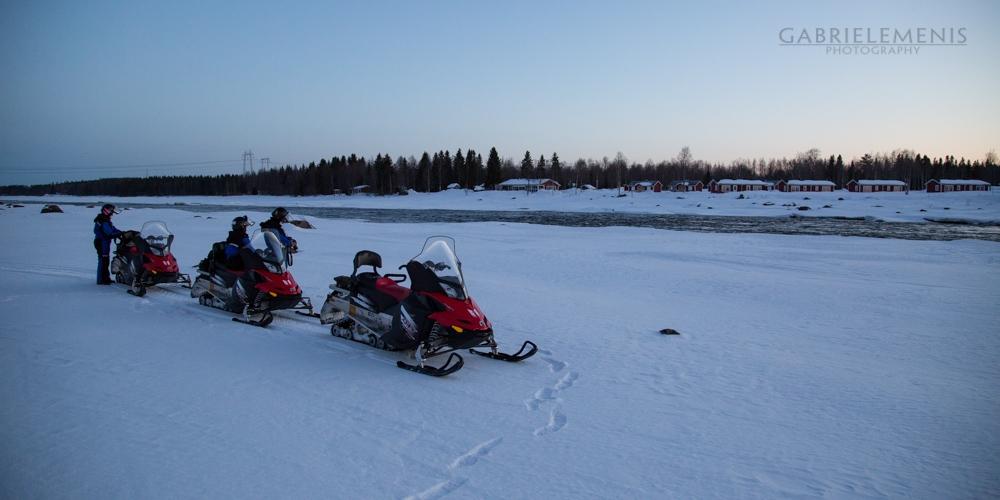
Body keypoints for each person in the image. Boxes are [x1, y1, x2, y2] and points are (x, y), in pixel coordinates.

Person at [93, 203, 123, 284]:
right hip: (101, 242)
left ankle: (106, 278)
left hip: (104, 243)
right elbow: (109, 232)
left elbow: (113, 229)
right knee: (103, 261)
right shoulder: (102, 220)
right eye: (111, 211)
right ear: (107, 211)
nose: (112, 213)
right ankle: (101, 280)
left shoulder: (105, 219)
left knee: (106, 260)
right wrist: (117, 234)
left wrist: (121, 232)